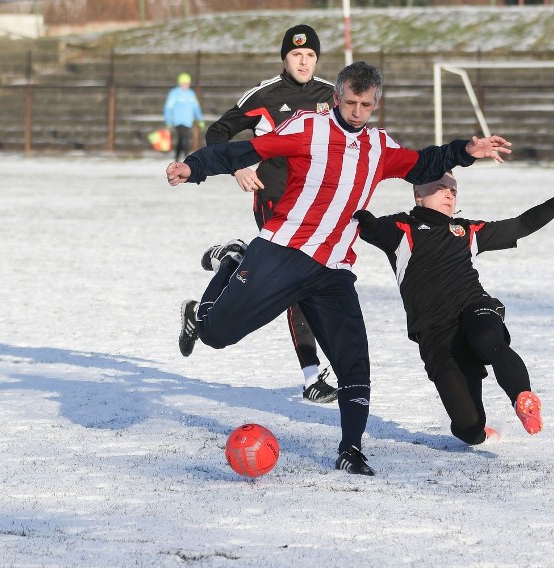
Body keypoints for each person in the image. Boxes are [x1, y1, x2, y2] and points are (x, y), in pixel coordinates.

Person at [166, 61, 512, 475]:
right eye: (351, 102)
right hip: (283, 251)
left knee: (355, 363)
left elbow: (422, 163)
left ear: (375, 103)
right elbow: (245, 150)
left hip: (333, 269)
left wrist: (465, 151)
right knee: (217, 335)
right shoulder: (307, 129)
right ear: (336, 97)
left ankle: (351, 450)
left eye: (366, 105)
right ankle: (229, 269)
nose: (357, 112)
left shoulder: (380, 146)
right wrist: (195, 167)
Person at [353, 170, 554, 446]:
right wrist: (363, 219)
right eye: (441, 187)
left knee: (487, 339)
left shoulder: (466, 231)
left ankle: (523, 398)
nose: (449, 194)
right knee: (468, 427)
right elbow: (362, 225)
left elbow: (522, 224)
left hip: (474, 309)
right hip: (435, 335)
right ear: (418, 194)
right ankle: (478, 432)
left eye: (454, 190)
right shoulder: (400, 229)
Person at [202, 24, 338, 404]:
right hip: (274, 200)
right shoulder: (264, 96)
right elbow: (217, 133)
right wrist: (237, 167)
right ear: (284, 57)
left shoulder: (331, 95)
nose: (304, 61)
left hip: (317, 206)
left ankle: (234, 260)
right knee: (296, 283)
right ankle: (312, 377)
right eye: (297, 55)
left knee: (314, 280)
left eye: (310, 55)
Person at [163, 72, 204, 162]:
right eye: (184, 83)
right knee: (184, 138)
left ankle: (180, 157)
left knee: (183, 139)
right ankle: (185, 158)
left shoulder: (191, 94)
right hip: (178, 121)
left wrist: (200, 119)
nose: (186, 85)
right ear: (180, 83)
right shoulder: (174, 93)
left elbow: (196, 107)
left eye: (187, 83)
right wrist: (168, 121)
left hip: (188, 121)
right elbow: (168, 108)